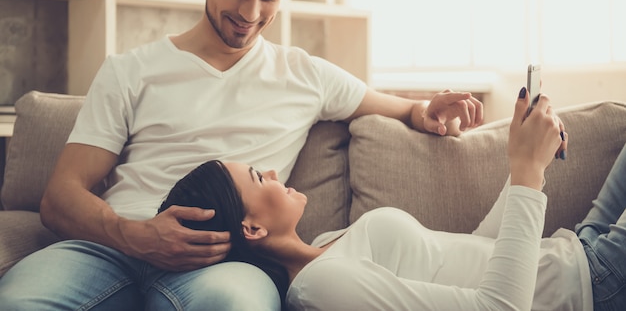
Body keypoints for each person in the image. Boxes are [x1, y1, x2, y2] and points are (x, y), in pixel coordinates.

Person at [0, 0, 483, 311]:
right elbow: (60, 197)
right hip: (110, 246)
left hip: (225, 265)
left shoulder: (306, 74)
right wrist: (137, 235)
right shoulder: (131, 70)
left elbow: (399, 109)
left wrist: (428, 111)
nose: (251, 15)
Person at [158, 89, 626, 310]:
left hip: (576, 250)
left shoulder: (328, 243)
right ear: (252, 228)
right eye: (259, 176)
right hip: (593, 288)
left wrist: (523, 165)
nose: (275, 172)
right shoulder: (322, 290)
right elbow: (499, 308)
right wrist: (529, 174)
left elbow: (474, 255)